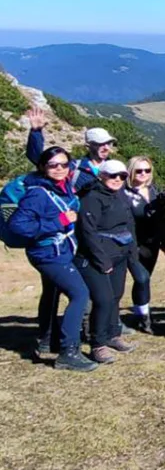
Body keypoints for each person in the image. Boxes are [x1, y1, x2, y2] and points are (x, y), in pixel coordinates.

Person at [9, 146, 96, 371]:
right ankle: (69, 352)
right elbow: (18, 226)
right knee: (80, 294)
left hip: (60, 252)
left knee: (52, 293)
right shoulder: (38, 193)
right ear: (42, 167)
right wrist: (60, 221)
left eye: (64, 164)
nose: (59, 169)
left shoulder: (63, 187)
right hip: (48, 255)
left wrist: (37, 133)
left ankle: (48, 340)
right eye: (53, 165)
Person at [76, 159, 139, 364]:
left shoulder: (119, 195)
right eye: (112, 175)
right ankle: (98, 344)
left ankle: (113, 334)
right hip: (98, 257)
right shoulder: (91, 198)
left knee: (116, 296)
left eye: (122, 176)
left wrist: (132, 252)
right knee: (103, 299)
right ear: (101, 176)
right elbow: (87, 232)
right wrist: (101, 259)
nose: (118, 179)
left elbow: (128, 224)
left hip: (119, 254)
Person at [24, 106, 115, 192]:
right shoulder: (74, 168)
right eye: (100, 144)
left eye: (108, 143)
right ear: (88, 146)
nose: (106, 147)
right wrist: (36, 132)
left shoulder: (116, 169)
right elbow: (39, 160)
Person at [123, 156, 159, 334]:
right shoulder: (124, 193)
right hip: (132, 244)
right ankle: (145, 319)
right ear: (130, 172)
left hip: (152, 245)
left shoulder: (153, 190)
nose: (143, 174)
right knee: (142, 278)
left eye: (147, 170)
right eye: (139, 170)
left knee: (144, 281)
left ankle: (140, 314)